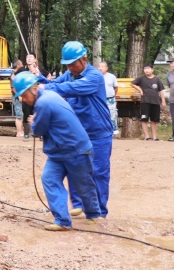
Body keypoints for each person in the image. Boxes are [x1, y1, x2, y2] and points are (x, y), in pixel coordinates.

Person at [15, 72, 102, 231]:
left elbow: (39, 129)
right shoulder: (48, 96)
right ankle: (62, 220)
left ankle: (93, 214)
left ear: (34, 89)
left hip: (76, 150)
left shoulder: (44, 103)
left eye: (24, 94)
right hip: (59, 152)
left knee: (83, 184)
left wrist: (34, 123)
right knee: (49, 179)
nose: (23, 99)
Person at [40, 41, 113, 219]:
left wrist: (46, 87)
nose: (70, 67)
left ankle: (100, 212)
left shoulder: (94, 77)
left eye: (73, 63)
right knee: (75, 167)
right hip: (79, 134)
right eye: (67, 64)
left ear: (84, 59)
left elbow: (70, 89)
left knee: (98, 172)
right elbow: (55, 83)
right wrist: (35, 80)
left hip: (99, 133)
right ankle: (79, 205)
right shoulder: (69, 74)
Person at [131, 65, 165, 141]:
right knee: (144, 119)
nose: (146, 70)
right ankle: (146, 136)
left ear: (152, 70)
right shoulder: (141, 78)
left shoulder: (157, 79)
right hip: (145, 101)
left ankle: (154, 137)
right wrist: (140, 90)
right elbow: (132, 83)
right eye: (145, 68)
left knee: (154, 120)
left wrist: (163, 100)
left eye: (148, 68)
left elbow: (161, 90)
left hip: (155, 102)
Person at [99, 61, 120, 136]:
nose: (100, 68)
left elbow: (116, 88)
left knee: (112, 115)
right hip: (100, 99)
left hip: (110, 98)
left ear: (106, 68)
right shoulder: (96, 77)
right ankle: (103, 132)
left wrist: (112, 95)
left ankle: (113, 131)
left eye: (102, 66)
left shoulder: (112, 76)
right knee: (100, 115)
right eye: (99, 66)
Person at [11, 60, 26, 138]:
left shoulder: (19, 74)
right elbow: (14, 88)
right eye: (21, 64)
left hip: (20, 96)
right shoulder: (14, 75)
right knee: (19, 115)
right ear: (18, 66)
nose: (23, 65)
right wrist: (19, 96)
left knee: (22, 115)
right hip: (17, 97)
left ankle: (22, 131)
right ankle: (19, 132)